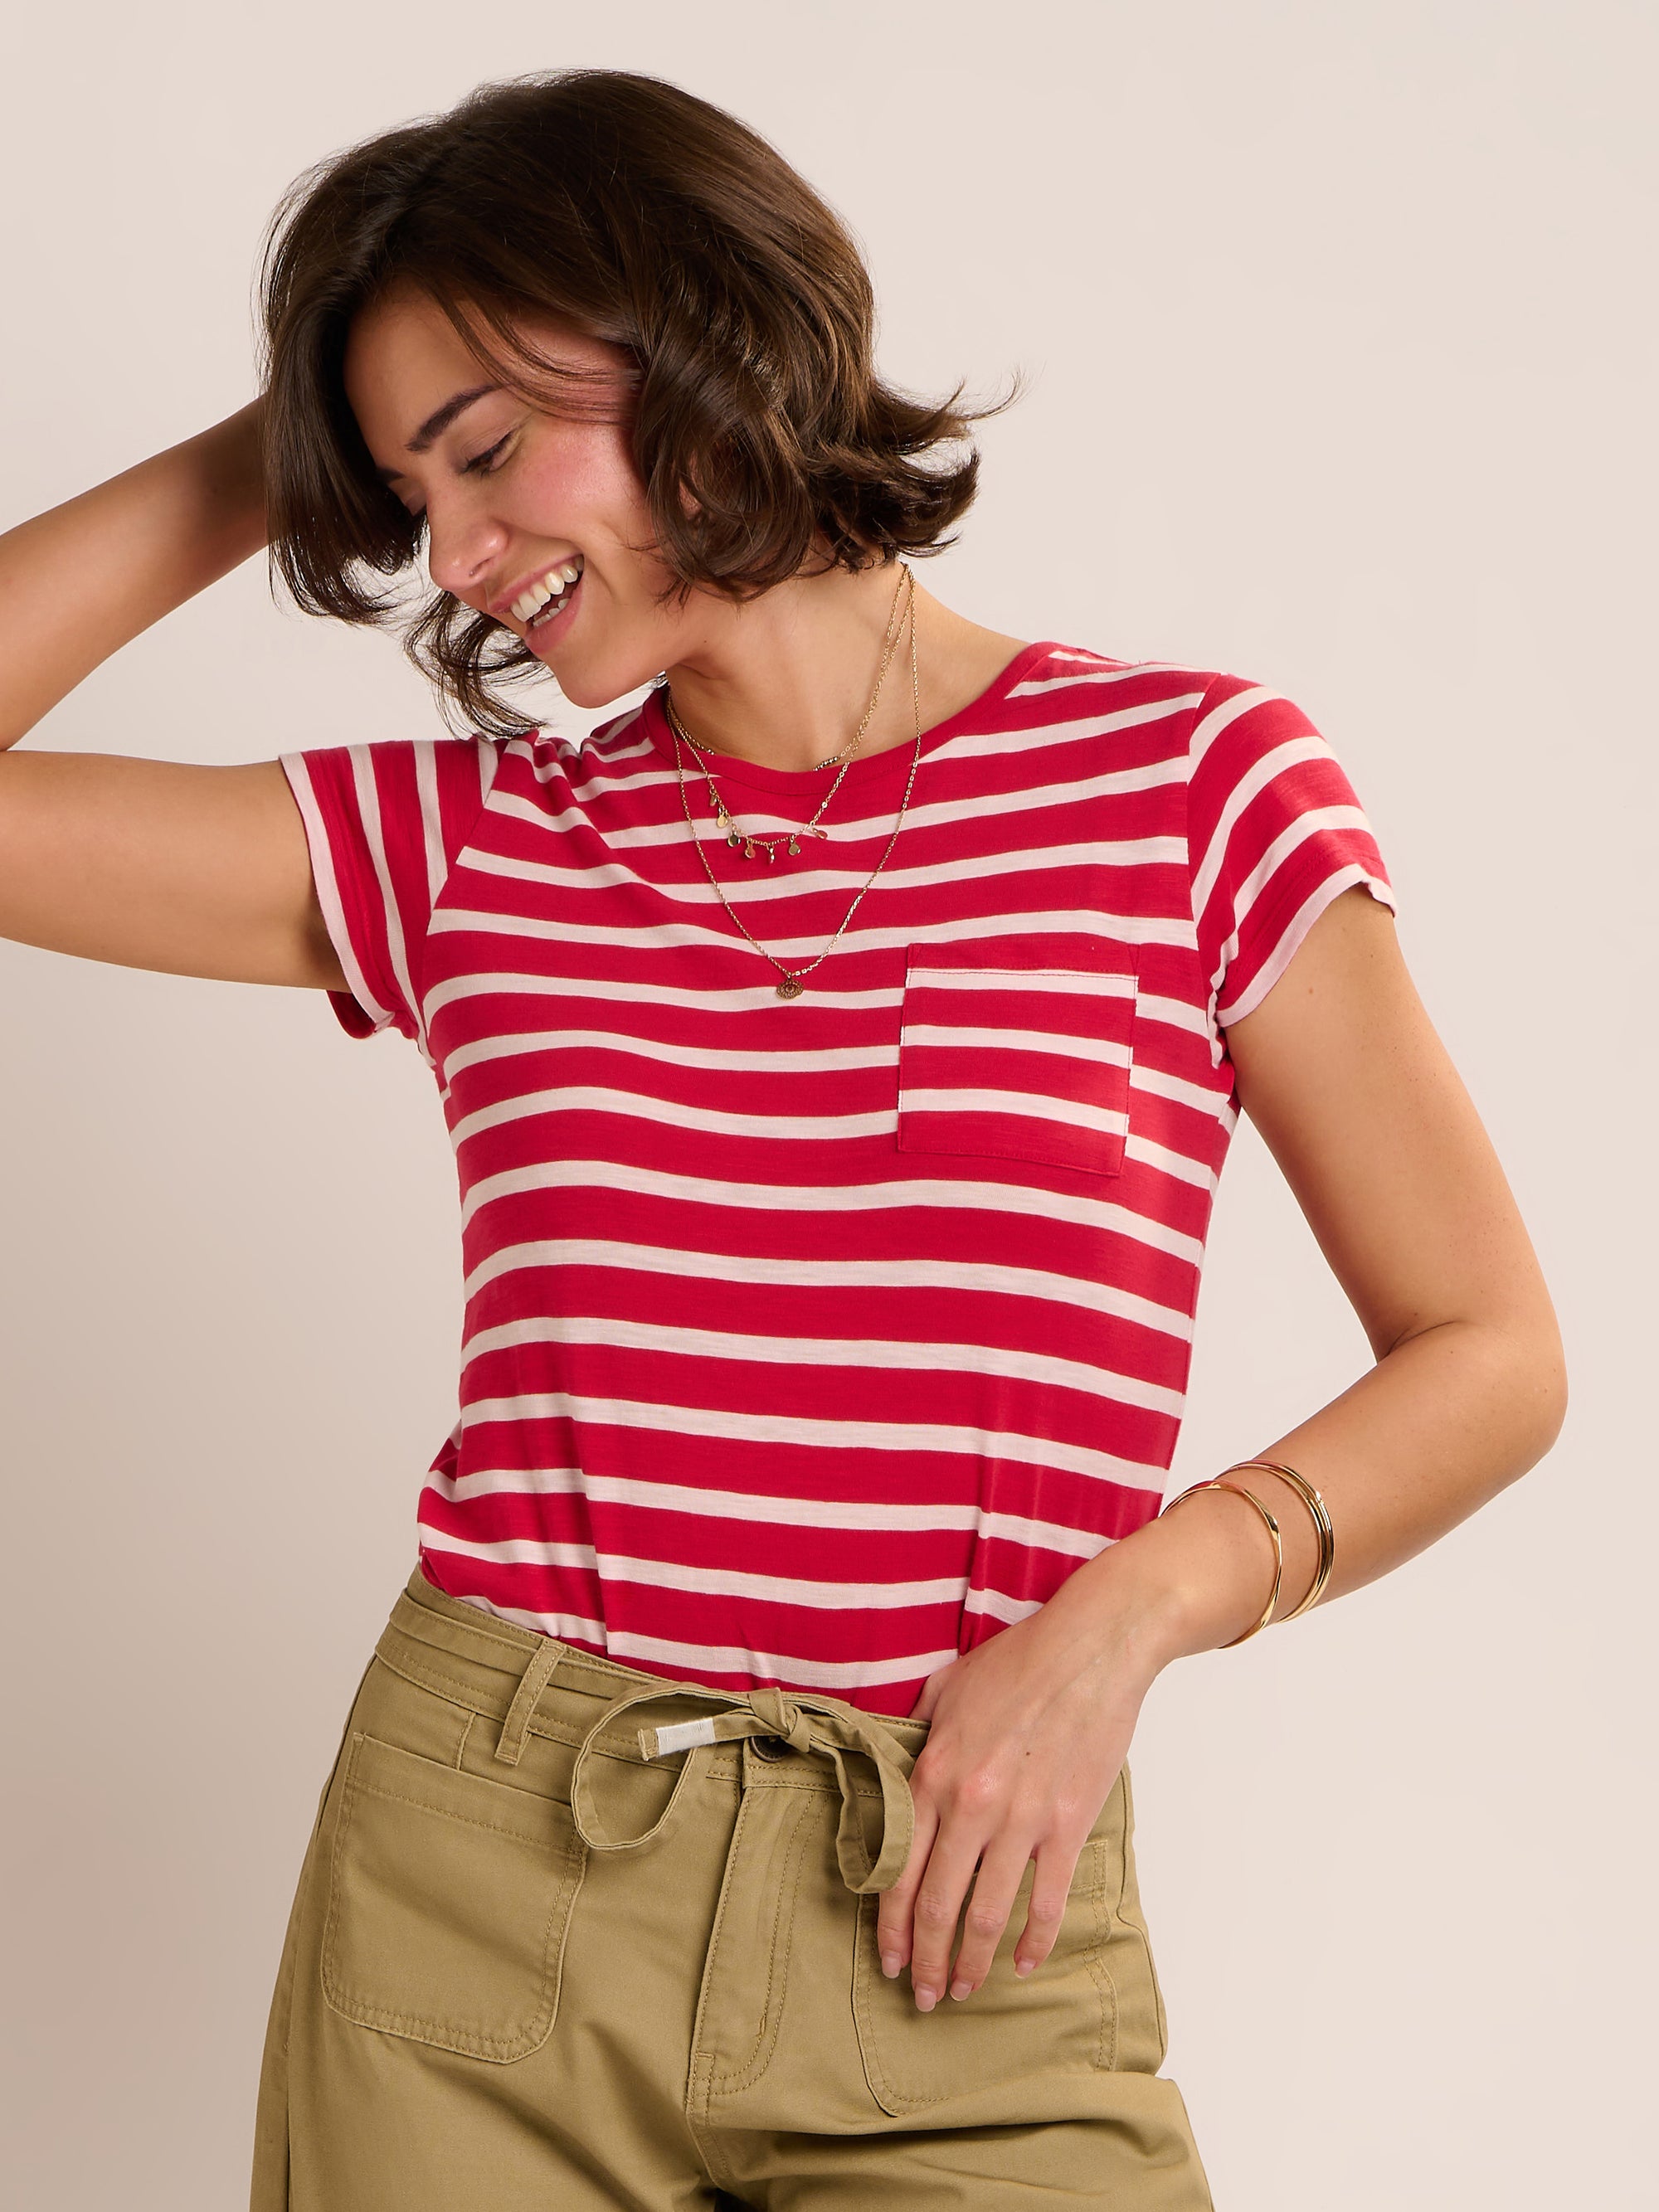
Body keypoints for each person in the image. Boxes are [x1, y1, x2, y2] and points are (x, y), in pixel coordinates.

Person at [0, 65, 1566, 2212]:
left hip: (971, 1901)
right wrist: (279, 446)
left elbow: (1492, 1348)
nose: (451, 555)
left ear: (704, 332)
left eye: (486, 449)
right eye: (405, 490)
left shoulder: (1189, 786)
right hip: (480, 1899)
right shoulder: (473, 847)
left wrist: (1137, 1609)